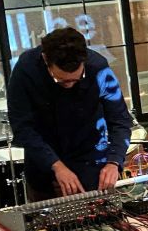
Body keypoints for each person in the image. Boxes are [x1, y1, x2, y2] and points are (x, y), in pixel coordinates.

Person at [7, 27, 135, 201]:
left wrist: (114, 161)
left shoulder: (99, 70)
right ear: (46, 59)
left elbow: (120, 120)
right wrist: (57, 166)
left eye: (76, 79)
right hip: (44, 163)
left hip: (91, 161)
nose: (69, 85)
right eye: (61, 80)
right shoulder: (25, 70)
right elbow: (22, 128)